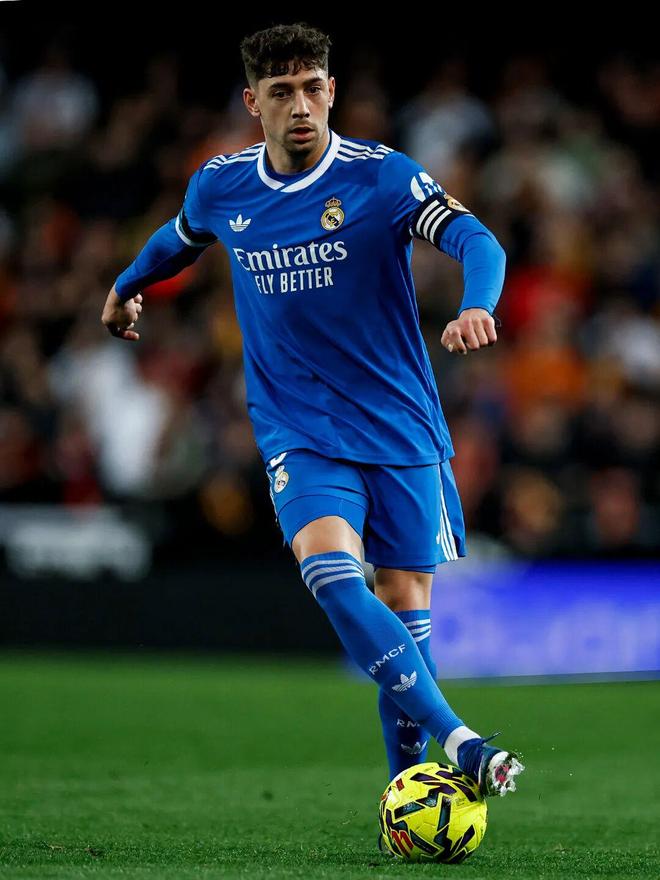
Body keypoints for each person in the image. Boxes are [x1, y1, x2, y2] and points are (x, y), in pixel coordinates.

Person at [101, 22, 524, 806]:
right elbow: (179, 239)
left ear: (331, 91)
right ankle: (463, 741)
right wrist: (127, 285)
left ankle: (407, 793)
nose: (300, 106)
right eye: (282, 91)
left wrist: (477, 305)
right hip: (298, 427)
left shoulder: (380, 177)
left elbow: (477, 240)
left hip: (398, 426)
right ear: (252, 102)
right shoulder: (222, 185)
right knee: (329, 573)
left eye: (312, 88)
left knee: (405, 610)